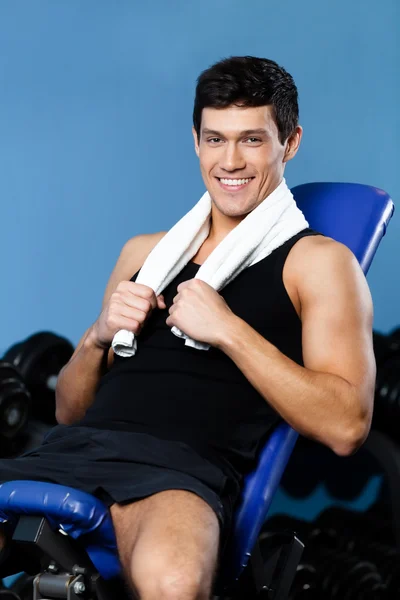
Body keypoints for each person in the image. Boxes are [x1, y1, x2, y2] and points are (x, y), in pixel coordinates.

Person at [0, 56, 375, 600]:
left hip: (179, 471)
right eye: (215, 139)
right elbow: (67, 412)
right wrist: (97, 336)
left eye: (252, 140)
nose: (230, 161)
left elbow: (347, 427)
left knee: (173, 583)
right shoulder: (144, 254)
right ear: (195, 141)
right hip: (71, 453)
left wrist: (228, 329)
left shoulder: (316, 262)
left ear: (289, 142)